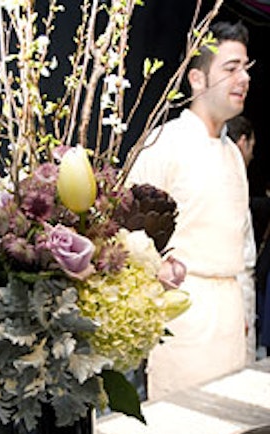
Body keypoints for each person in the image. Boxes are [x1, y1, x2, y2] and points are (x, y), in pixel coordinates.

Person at [126, 21, 251, 400]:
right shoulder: (165, 142)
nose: (243, 78)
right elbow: (129, 236)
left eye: (246, 67)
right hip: (183, 318)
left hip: (232, 316)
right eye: (230, 68)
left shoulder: (232, 153)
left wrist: (246, 312)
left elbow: (244, 248)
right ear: (197, 79)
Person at [226, 114, 257, 363]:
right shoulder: (227, 184)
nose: (252, 155)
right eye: (251, 148)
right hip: (232, 291)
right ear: (242, 143)